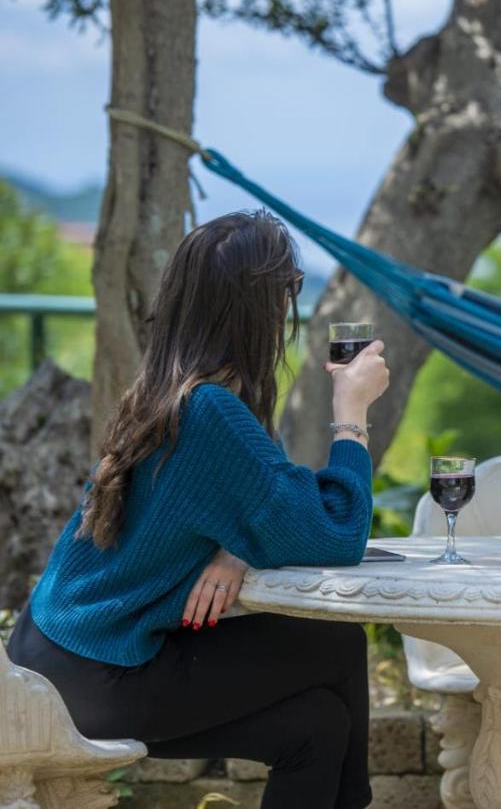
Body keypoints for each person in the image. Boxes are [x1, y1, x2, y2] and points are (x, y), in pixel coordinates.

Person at [5, 210, 389, 809]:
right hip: (97, 672)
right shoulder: (210, 412)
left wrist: (234, 546)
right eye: (287, 290)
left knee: (315, 727)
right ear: (257, 309)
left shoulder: (171, 389)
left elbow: (272, 500)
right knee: (337, 645)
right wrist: (352, 411)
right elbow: (336, 534)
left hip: (52, 656)